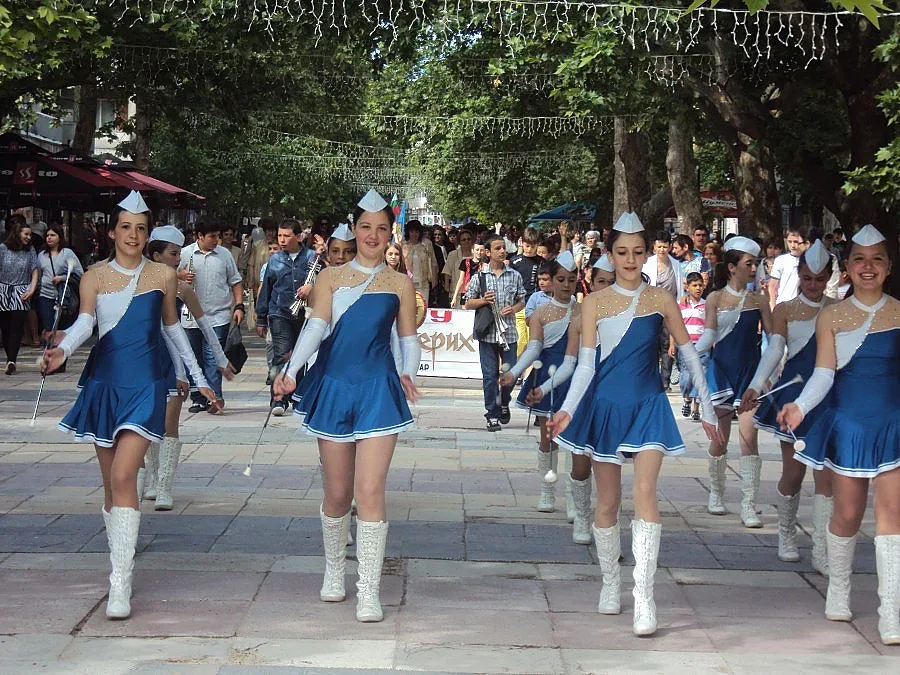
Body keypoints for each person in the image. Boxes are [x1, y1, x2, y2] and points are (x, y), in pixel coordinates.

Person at [43, 192, 214, 619]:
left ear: (147, 233)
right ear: (113, 232)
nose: (133, 235)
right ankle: (120, 553)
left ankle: (120, 584)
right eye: (126, 227)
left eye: (141, 228)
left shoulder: (162, 275)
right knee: (111, 485)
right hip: (104, 384)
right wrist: (62, 350)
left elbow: (173, 330)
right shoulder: (94, 277)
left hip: (146, 385)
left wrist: (199, 379)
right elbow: (86, 323)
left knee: (125, 473)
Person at [549, 212, 720, 636]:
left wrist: (710, 408)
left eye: (637, 252)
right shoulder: (592, 304)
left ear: (648, 254)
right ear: (609, 255)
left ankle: (644, 597)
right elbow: (586, 366)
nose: (629, 259)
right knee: (608, 502)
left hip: (648, 405)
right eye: (621, 252)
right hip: (605, 408)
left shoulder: (661, 300)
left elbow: (689, 353)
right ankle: (611, 582)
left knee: (645, 494)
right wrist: (569, 409)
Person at [273, 189, 421, 623]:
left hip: (379, 389)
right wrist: (291, 370)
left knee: (370, 490)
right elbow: (316, 327)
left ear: (389, 232)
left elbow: (408, 338)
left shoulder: (399, 283)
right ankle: (335, 569)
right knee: (338, 493)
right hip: (334, 387)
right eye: (365, 227)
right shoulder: (330, 279)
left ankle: (369, 591)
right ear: (354, 229)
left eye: (381, 228)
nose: (373, 235)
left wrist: (408, 371)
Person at [777, 225, 899, 646]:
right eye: (860, 260)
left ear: (889, 267)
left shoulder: (899, 313)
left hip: (892, 426)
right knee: (846, 515)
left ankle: (892, 612)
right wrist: (800, 406)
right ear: (847, 268)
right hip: (847, 424)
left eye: (877, 259)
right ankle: (840, 588)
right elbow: (824, 373)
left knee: (892, 519)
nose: (869, 267)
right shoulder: (831, 316)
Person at [738, 240, 834, 571]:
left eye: (820, 279)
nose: (813, 285)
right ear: (800, 274)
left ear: (829, 277)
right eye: (807, 278)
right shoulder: (785, 310)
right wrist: (754, 385)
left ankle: (822, 548)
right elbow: (775, 350)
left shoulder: (838, 310)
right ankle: (786, 534)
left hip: (829, 400)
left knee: (826, 478)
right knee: (793, 474)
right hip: (792, 398)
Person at [143, 226, 234, 510]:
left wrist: (220, 360)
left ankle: (164, 487)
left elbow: (205, 326)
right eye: (173, 255)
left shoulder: (181, 288)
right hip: (142, 359)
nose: (178, 261)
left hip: (173, 362)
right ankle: (152, 478)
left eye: (178, 255)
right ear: (156, 255)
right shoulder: (138, 284)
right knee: (146, 422)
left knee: (170, 423)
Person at [696, 236, 773, 527]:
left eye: (756, 263)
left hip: (750, 373)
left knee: (749, 438)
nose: (754, 268)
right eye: (749, 263)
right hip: (722, 371)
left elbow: (772, 339)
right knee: (720, 437)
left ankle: (748, 504)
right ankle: (716, 493)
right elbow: (710, 336)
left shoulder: (759, 300)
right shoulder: (714, 298)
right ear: (732, 267)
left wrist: (765, 375)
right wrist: (691, 349)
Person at [500, 253, 581, 525]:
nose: (566, 285)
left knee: (571, 439)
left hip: (572, 376)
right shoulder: (540, 313)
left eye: (572, 279)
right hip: (545, 372)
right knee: (547, 436)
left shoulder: (582, 311)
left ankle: (572, 497)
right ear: (551, 281)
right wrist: (513, 371)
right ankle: (547, 492)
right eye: (561, 279)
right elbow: (534, 347)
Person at [178, 221, 244, 414]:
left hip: (218, 316)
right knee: (193, 357)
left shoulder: (224, 255)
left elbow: (235, 281)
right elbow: (168, 277)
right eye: (212, 236)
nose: (217, 240)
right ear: (199, 236)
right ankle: (198, 398)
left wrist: (239, 306)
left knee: (213, 357)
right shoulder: (184, 254)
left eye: (218, 236)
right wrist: (181, 275)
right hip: (190, 316)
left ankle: (215, 397)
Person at [256, 219, 318, 416]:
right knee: (281, 355)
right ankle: (278, 399)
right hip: (279, 313)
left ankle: (297, 395)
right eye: (280, 236)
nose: (282, 240)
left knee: (299, 357)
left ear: (298, 237)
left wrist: (312, 287)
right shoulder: (274, 260)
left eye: (286, 236)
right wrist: (260, 317)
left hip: (304, 315)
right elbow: (266, 289)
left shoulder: (311, 258)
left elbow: (325, 282)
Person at [465, 235, 526, 431]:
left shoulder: (514, 275)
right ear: (488, 252)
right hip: (488, 334)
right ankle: (491, 414)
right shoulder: (479, 277)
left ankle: (504, 401)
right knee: (490, 375)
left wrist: (514, 309)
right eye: (498, 248)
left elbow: (521, 300)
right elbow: (467, 303)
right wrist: (483, 300)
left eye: (504, 248)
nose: (502, 251)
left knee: (510, 375)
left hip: (508, 333)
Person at [642, 230, 685, 392]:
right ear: (654, 247)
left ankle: (664, 381)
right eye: (659, 247)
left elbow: (679, 291)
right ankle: (650, 378)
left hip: (670, 310)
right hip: (650, 310)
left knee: (668, 345)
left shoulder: (676, 265)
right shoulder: (647, 264)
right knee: (651, 344)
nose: (662, 250)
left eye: (665, 247)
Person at [0, 216, 39, 374]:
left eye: (30, 235)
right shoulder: (3, 248)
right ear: (17, 233)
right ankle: (9, 357)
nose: (29, 238)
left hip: (22, 291)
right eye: (26, 234)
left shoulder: (30, 250)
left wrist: (31, 289)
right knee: (6, 327)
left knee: (17, 327)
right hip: (3, 290)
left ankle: (11, 360)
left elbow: (35, 270)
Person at [669, 272, 706, 421]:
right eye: (694, 285)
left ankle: (696, 408)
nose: (698, 288)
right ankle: (687, 398)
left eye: (700, 285)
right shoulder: (681, 305)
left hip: (702, 346)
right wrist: (672, 344)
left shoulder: (706, 305)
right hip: (686, 345)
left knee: (701, 375)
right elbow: (674, 325)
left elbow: (710, 326)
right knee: (687, 376)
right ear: (687, 287)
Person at [36, 223, 83, 337]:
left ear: (59, 237)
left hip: (63, 297)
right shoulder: (41, 255)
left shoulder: (67, 253)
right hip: (45, 295)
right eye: (47, 235)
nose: (49, 238)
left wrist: (61, 278)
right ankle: (49, 351)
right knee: (49, 327)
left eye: (53, 235)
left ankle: (61, 353)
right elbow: (38, 274)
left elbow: (80, 273)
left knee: (62, 330)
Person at [509, 227, 543, 358]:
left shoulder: (542, 262)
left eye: (532, 246)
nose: (529, 249)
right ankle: (513, 368)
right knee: (520, 340)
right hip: (518, 306)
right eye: (527, 246)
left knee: (532, 341)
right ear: (521, 242)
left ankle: (524, 372)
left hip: (535, 307)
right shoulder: (515, 261)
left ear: (538, 244)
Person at [768, 225, 809, 308]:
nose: (793, 245)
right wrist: (772, 305)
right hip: (783, 304)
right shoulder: (781, 260)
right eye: (789, 242)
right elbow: (772, 285)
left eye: (796, 242)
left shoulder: (809, 261)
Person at [402, 220, 437, 306]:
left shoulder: (427, 244)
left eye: (416, 232)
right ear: (408, 232)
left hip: (424, 283)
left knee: (422, 308)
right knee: (408, 308)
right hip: (407, 283)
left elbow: (433, 262)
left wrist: (434, 279)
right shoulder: (402, 244)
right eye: (411, 232)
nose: (414, 234)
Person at [442, 228, 473, 304]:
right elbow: (447, 271)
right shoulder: (453, 254)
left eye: (468, 239)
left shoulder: (476, 254)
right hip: (456, 289)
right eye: (463, 240)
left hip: (472, 291)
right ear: (459, 242)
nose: (466, 241)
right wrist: (446, 285)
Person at [450, 242, 484, 308]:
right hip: (466, 293)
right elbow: (461, 280)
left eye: (481, 250)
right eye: (477, 250)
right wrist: (455, 298)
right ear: (472, 250)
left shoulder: (486, 264)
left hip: (480, 294)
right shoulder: (465, 262)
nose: (479, 252)